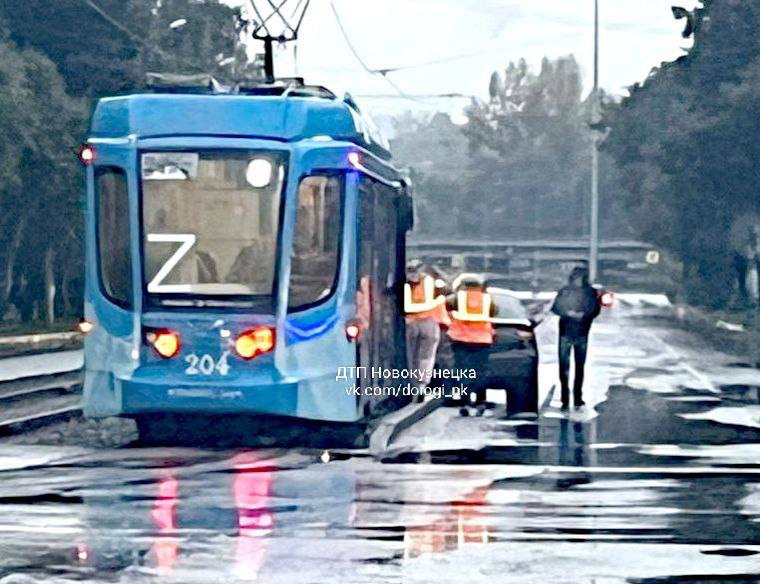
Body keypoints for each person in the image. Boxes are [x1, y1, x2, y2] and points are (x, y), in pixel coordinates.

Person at [551, 267, 601, 410]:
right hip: (566, 332)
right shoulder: (565, 291)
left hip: (581, 333)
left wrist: (583, 315)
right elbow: (556, 307)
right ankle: (565, 397)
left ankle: (578, 396)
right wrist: (568, 313)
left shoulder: (590, 292)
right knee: (564, 367)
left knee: (579, 367)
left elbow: (595, 310)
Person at [446, 274, 495, 416]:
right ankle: (480, 402)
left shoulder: (457, 298)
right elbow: (494, 312)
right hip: (483, 341)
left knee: (463, 372)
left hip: (461, 340)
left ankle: (465, 402)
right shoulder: (487, 299)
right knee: (481, 372)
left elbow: (446, 306)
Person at [404, 260, 450, 398]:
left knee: (415, 356)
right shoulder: (429, 282)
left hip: (414, 322)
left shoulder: (409, 284)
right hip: (423, 322)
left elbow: (408, 307)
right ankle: (419, 385)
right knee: (424, 356)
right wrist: (433, 304)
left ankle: (417, 385)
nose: (414, 275)